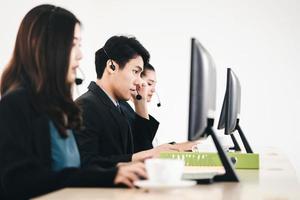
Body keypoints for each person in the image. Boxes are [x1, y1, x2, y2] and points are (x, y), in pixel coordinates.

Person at [0, 5, 147, 200]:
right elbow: (20, 182)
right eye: (73, 44)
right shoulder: (15, 104)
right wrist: (108, 176)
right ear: (43, 45)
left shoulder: (56, 107)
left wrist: (116, 172)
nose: (80, 55)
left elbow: (74, 169)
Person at [75, 36, 178, 168]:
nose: (140, 81)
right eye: (135, 72)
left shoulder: (122, 106)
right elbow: (87, 164)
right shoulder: (85, 107)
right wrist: (141, 156)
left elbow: (144, 151)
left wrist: (140, 105)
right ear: (111, 67)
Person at [122, 63, 198, 152]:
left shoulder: (137, 112)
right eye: (149, 83)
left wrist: (178, 146)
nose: (154, 90)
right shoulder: (125, 111)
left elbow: (152, 146)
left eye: (154, 85)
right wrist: (176, 147)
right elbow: (143, 149)